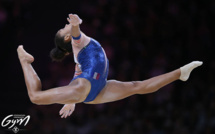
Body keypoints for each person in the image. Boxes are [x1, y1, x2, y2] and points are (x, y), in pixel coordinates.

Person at [17, 13, 203, 118]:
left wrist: (71, 99)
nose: (63, 26)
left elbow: (78, 72)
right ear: (66, 37)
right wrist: (75, 24)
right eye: (62, 29)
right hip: (90, 87)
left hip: (96, 88)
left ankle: (180, 73)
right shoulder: (76, 41)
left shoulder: (78, 54)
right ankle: (24, 60)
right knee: (35, 97)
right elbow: (75, 35)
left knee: (138, 86)